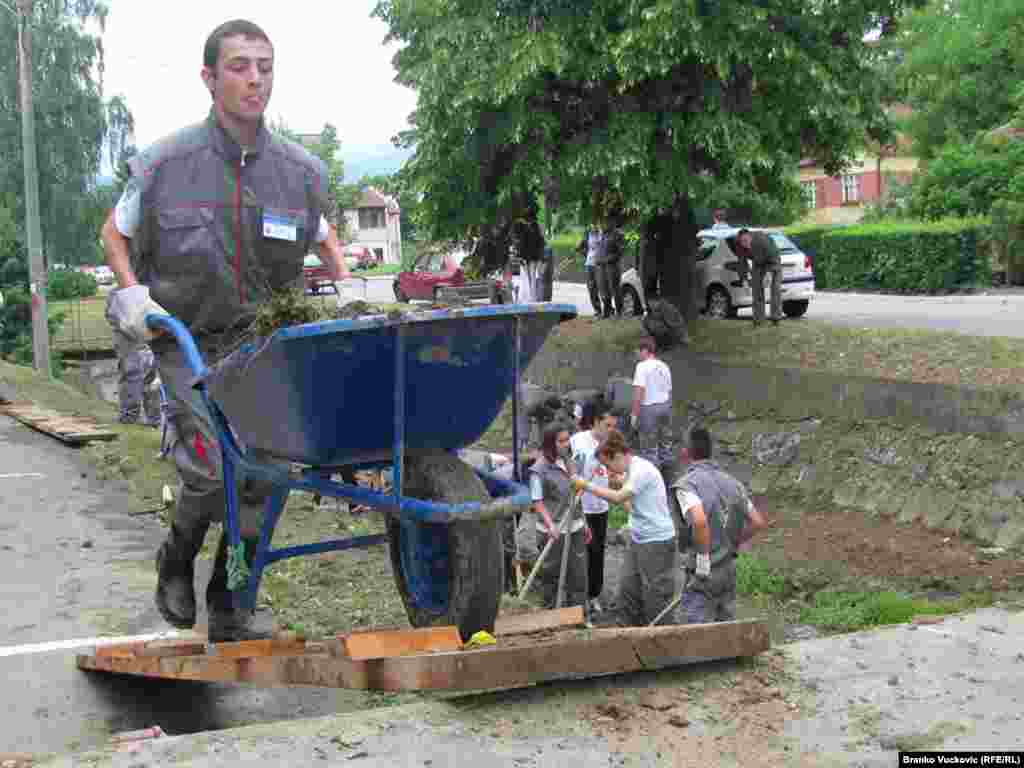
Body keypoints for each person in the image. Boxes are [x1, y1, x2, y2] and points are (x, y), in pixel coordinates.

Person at [100, 19, 356, 642]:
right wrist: (134, 294)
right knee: (214, 470)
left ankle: (232, 592)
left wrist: (345, 287)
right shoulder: (166, 164)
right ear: (210, 77)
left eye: (264, 67)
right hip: (187, 340)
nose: (255, 79)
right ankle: (178, 557)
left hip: (265, 345)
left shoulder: (297, 171)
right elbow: (115, 235)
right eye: (240, 66)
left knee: (267, 475)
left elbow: (326, 241)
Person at [573, 429, 678, 626]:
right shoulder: (630, 472)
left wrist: (586, 486)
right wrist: (614, 484)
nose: (609, 471)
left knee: (656, 595)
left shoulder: (641, 470)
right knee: (629, 590)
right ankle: (630, 635)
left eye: (608, 464)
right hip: (638, 538)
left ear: (618, 455)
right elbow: (630, 504)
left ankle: (661, 641)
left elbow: (619, 498)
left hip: (656, 541)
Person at [671, 427, 769, 623]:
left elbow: (699, 521)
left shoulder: (687, 485)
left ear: (685, 453)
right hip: (727, 571)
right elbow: (758, 522)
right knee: (725, 632)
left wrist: (703, 560)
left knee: (693, 635)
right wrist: (731, 544)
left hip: (702, 576)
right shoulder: (734, 484)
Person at [527, 422, 591, 611]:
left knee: (578, 576)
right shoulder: (539, 470)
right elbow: (537, 501)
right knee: (550, 577)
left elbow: (576, 496)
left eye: (567, 440)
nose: (565, 444)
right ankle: (549, 617)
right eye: (560, 441)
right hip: (553, 530)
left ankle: (578, 617)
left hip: (575, 526)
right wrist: (550, 525)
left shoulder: (570, 462)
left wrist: (585, 523)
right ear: (550, 443)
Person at [570, 400, 618, 615]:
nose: (611, 430)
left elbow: (615, 471)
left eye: (613, 426)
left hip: (601, 506)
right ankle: (579, 597)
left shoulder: (612, 443)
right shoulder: (578, 442)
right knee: (583, 552)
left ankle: (594, 594)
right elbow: (569, 470)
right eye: (607, 425)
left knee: (598, 551)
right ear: (596, 422)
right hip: (582, 506)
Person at [630, 336, 673, 472]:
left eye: (638, 351)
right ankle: (668, 468)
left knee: (649, 444)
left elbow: (639, 392)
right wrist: (668, 407)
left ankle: (653, 472)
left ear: (645, 350)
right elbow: (669, 390)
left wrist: (634, 414)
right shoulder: (664, 365)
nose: (637, 354)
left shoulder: (642, 367)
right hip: (665, 406)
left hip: (649, 408)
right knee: (664, 439)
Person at [735, 228, 782, 326]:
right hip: (758, 264)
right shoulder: (739, 245)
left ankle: (775, 318)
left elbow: (773, 257)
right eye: (742, 242)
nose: (745, 244)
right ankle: (758, 319)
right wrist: (744, 280)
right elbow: (742, 263)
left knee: (775, 290)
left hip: (773, 262)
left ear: (750, 237)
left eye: (746, 241)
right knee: (756, 290)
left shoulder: (762, 240)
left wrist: (769, 274)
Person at [594, 220, 625, 318]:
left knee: (615, 289)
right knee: (603, 289)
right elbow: (597, 248)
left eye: (604, 222)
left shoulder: (617, 234)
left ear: (611, 222)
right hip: (601, 266)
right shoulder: (601, 234)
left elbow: (620, 251)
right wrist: (597, 259)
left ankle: (619, 312)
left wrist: (608, 259)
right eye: (601, 223)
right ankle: (607, 311)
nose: (601, 225)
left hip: (612, 266)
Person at [577, 228, 606, 317]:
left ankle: (608, 310)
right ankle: (597, 310)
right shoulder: (587, 234)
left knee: (602, 287)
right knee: (592, 288)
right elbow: (579, 247)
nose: (594, 226)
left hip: (600, 264)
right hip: (589, 264)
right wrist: (585, 254)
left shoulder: (603, 233)